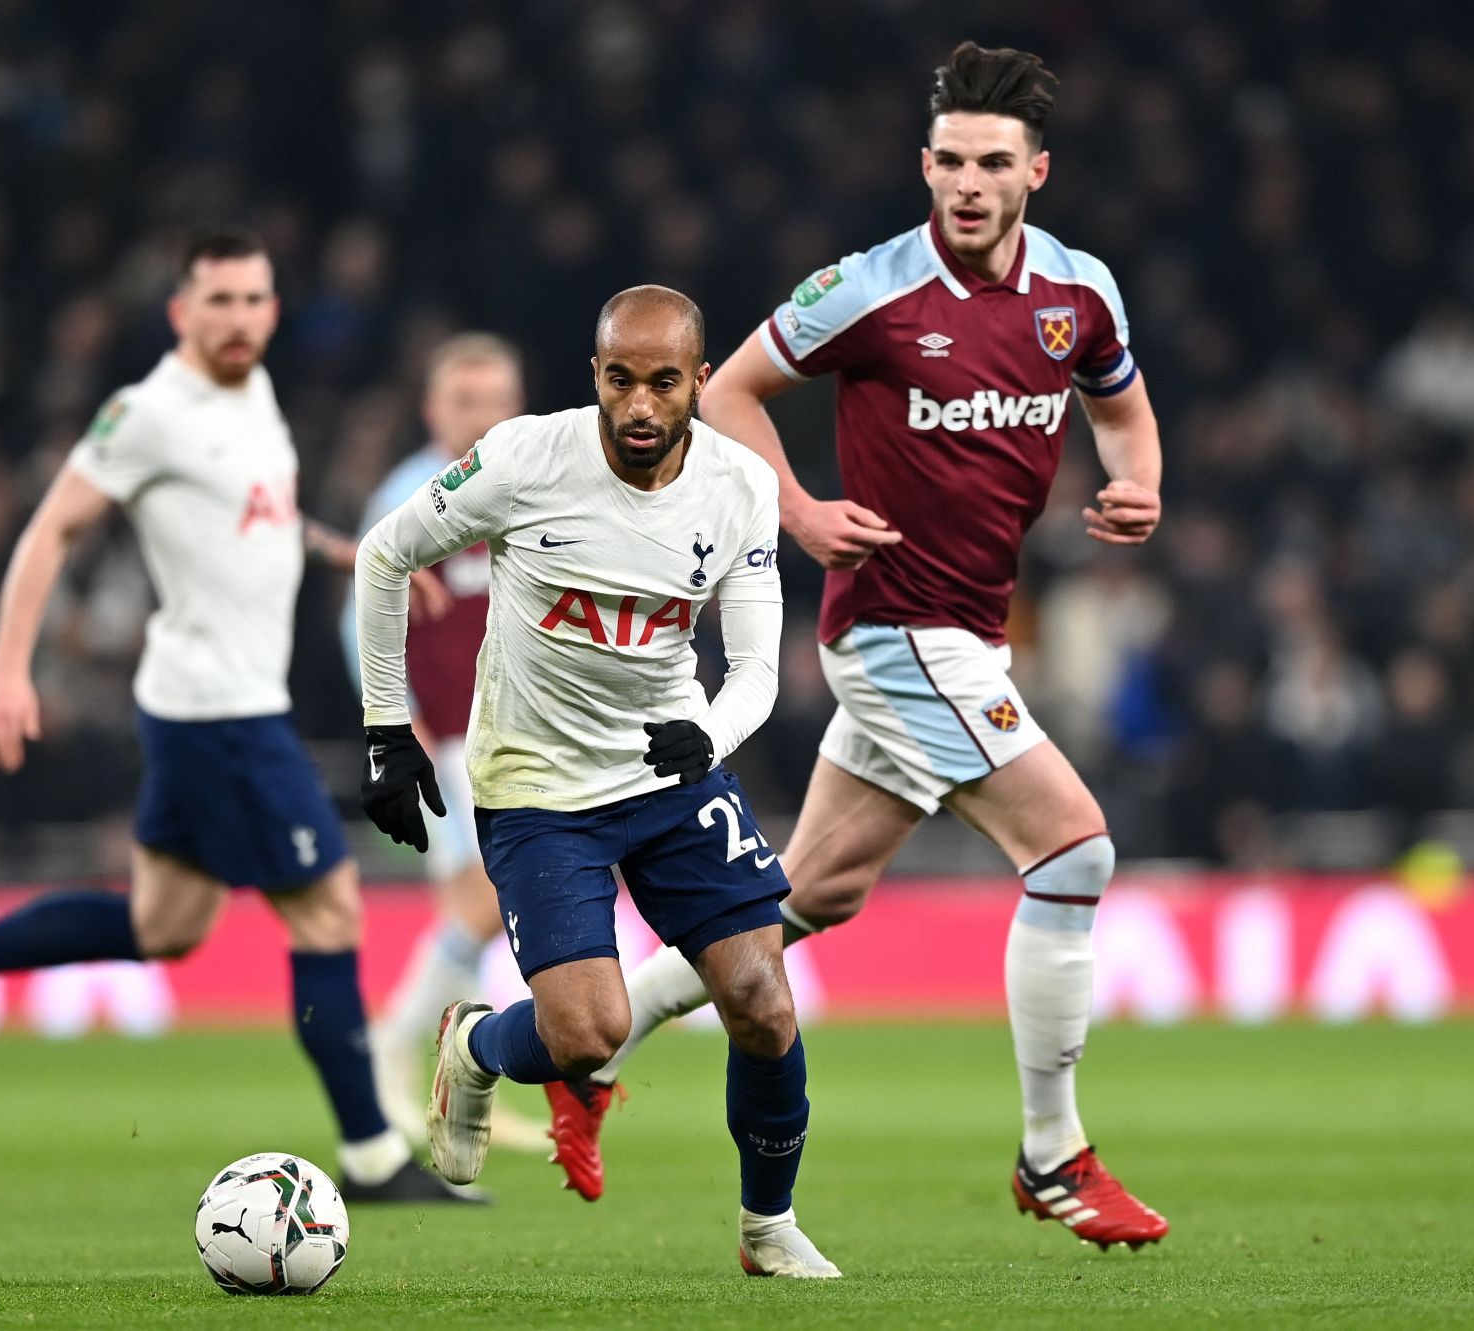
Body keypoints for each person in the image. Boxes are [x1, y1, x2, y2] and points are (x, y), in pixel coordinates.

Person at [570, 44, 1172, 1250]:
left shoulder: (1077, 292)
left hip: (970, 637)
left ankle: (579, 1050)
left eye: (993, 161)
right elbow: (730, 391)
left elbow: (1121, 406)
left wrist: (1139, 482)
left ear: (1035, 172)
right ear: (925, 164)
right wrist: (798, 511)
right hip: (897, 631)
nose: (968, 181)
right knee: (1076, 850)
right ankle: (1052, 1153)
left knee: (801, 899)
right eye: (949, 158)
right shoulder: (870, 289)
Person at [0, 226, 471, 1205]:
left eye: (254, 299)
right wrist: (7, 672)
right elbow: (51, 525)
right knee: (330, 904)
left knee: (164, 923)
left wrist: (342, 550)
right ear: (181, 311)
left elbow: (252, 515)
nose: (238, 318)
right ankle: (372, 1155)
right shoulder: (148, 412)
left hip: (199, 711)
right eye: (217, 300)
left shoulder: (255, 395)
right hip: (223, 712)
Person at [353, 286, 840, 1277]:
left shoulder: (740, 484)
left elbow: (752, 664)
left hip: (667, 766)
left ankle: (767, 1224)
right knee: (588, 1034)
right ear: (596, 377)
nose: (642, 405)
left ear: (700, 381)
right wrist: (384, 729)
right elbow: (385, 554)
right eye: (621, 379)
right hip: (535, 781)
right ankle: (479, 1048)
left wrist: (708, 735)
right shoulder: (529, 456)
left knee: (760, 996)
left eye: (665, 381)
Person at [340, 332, 546, 1154]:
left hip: (521, 734)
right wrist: (395, 724)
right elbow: (357, 615)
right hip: (447, 737)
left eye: (496, 398)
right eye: (465, 400)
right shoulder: (411, 493)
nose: (481, 414)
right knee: (484, 899)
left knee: (492, 908)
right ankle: (391, 1055)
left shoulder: (531, 477)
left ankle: (450, 1088)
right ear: (433, 408)